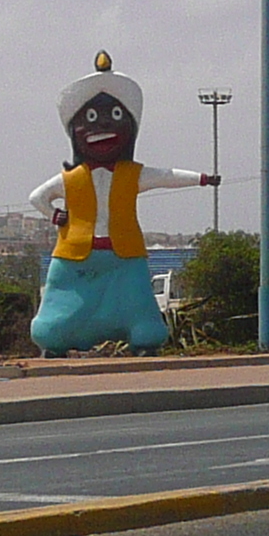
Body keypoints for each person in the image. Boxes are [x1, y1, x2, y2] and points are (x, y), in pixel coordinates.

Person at [27, 52, 216, 355]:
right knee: (55, 320)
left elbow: (167, 176)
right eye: (89, 119)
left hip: (124, 255)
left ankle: (142, 337)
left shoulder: (133, 174)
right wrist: (56, 215)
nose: (102, 125)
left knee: (140, 310)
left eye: (115, 116)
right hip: (75, 256)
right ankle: (55, 338)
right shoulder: (71, 178)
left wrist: (201, 178)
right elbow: (37, 197)